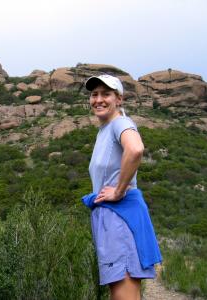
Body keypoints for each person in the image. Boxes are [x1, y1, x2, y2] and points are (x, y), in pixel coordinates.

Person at [82, 74, 162, 300]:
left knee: (123, 293)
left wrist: (118, 191)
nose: (98, 99)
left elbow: (135, 149)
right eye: (94, 94)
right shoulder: (105, 129)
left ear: (119, 99)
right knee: (120, 292)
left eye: (106, 94)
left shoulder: (121, 123)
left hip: (120, 219)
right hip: (111, 219)